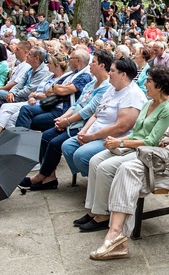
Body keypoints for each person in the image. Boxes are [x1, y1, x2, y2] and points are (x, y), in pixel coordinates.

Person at [82, 69, 169, 254]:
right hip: (165, 161)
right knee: (125, 169)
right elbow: (165, 138)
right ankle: (114, 235)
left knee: (128, 175)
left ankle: (117, 239)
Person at [75, 66, 169, 233]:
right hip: (132, 147)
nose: (145, 84)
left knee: (106, 168)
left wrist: (120, 143)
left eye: (149, 81)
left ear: (159, 85)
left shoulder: (168, 108)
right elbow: (136, 133)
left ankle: (104, 215)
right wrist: (117, 140)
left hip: (148, 154)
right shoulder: (148, 103)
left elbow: (151, 141)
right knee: (95, 161)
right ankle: (95, 210)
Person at [22, 51, 113, 190]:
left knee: (54, 143)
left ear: (102, 65)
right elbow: (77, 104)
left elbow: (89, 110)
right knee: (45, 137)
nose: (90, 65)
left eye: (93, 62)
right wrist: (63, 118)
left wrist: (68, 121)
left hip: (85, 124)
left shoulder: (106, 87)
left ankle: (40, 177)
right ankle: (49, 177)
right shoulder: (92, 83)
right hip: (73, 120)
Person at [60, 57, 147, 186]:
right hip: (93, 132)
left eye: (112, 71)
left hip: (113, 138)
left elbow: (121, 128)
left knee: (80, 155)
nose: (109, 73)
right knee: (67, 147)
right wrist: (84, 132)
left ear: (123, 74)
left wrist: (91, 137)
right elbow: (96, 114)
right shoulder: (111, 88)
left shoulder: (132, 95)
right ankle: (95, 181)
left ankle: (103, 185)